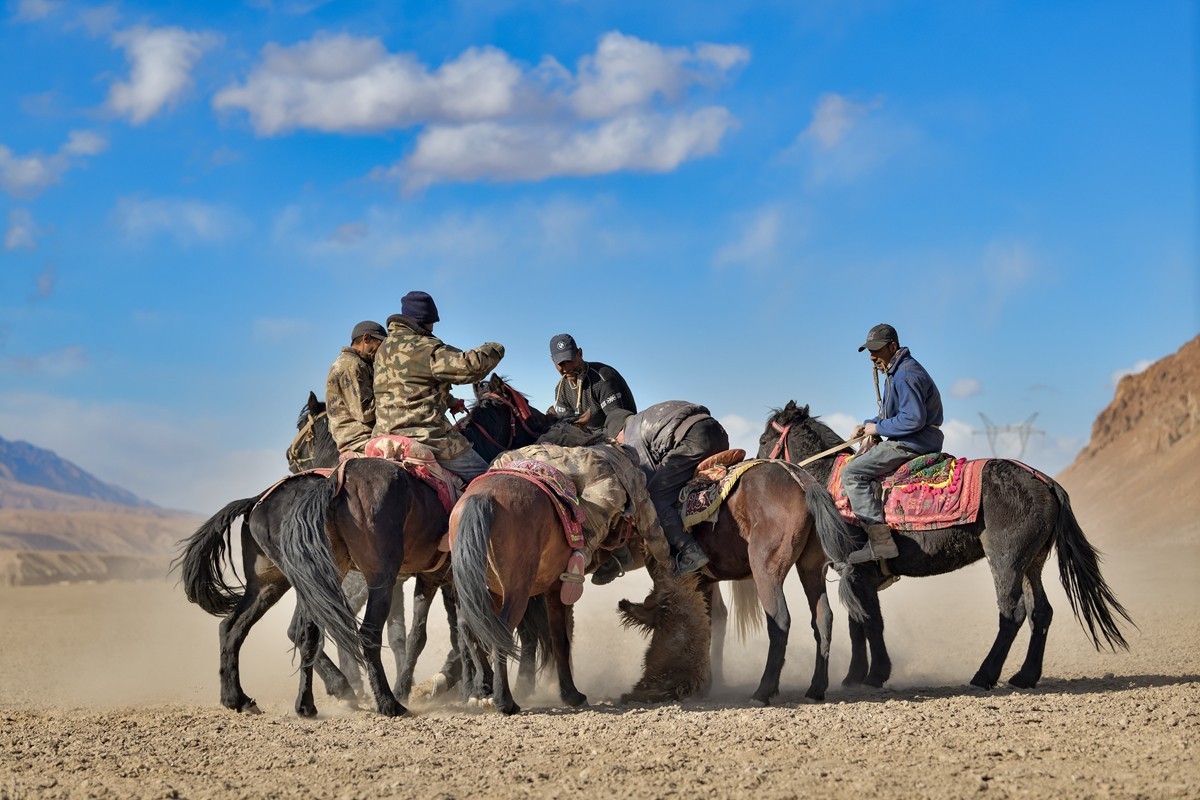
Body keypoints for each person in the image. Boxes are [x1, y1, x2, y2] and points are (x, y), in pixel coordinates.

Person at [373, 291, 505, 483]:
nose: (433, 327)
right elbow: (468, 367)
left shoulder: (384, 348)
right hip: (426, 437)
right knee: (489, 480)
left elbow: (406, 388)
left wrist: (448, 400)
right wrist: (495, 348)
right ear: (424, 319)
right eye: (432, 322)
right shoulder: (424, 347)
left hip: (384, 436)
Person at [844, 323, 945, 564]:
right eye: (870, 351)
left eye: (877, 350)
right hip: (910, 437)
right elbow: (893, 414)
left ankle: (882, 543)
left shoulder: (906, 375)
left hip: (914, 442)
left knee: (852, 472)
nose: (872, 356)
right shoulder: (896, 372)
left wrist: (878, 429)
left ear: (893, 346)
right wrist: (869, 424)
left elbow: (913, 418)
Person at [604, 401, 728, 576]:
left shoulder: (632, 436)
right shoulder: (646, 417)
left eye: (617, 443)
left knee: (655, 497)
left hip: (694, 439)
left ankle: (691, 550)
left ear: (618, 433)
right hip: (718, 432)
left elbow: (645, 481)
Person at [548, 333, 637, 432]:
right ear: (553, 361)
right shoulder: (561, 389)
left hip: (621, 432)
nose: (566, 368)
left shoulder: (602, 377)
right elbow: (566, 424)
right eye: (560, 363)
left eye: (569, 360)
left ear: (580, 353)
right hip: (590, 438)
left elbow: (617, 421)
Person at [325, 320, 386, 454]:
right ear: (366, 338)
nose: (381, 352)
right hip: (359, 439)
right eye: (380, 345)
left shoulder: (357, 363)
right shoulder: (351, 364)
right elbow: (364, 413)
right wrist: (391, 393)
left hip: (362, 435)